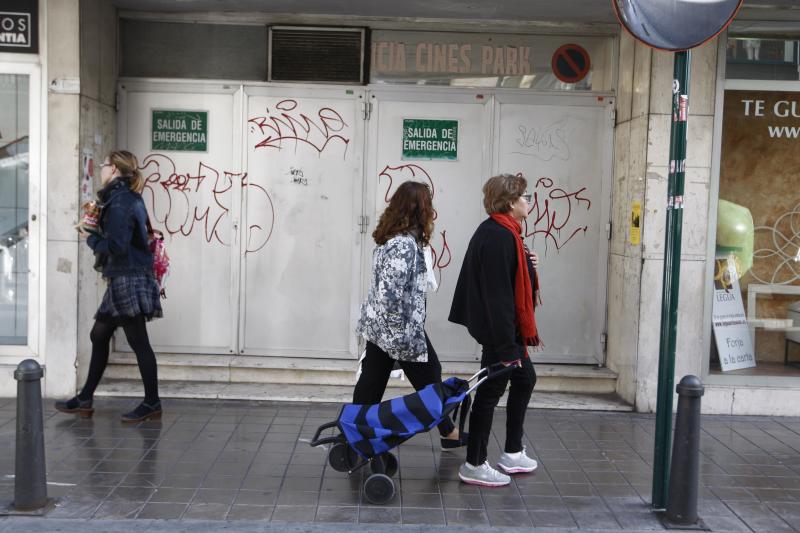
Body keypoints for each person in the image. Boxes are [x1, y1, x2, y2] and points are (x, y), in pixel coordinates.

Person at [354, 180, 466, 449]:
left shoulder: (398, 240)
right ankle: (447, 432)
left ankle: (354, 433)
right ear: (418, 209)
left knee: (372, 383)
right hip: (398, 331)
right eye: (428, 204)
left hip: (386, 330)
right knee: (429, 377)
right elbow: (390, 295)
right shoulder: (403, 245)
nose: (432, 211)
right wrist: (400, 341)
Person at [55, 150, 163, 423]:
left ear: (113, 169)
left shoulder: (119, 203)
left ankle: (152, 403)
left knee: (139, 342)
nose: (101, 169)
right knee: (99, 334)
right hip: (126, 276)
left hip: (128, 278)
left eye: (103, 165)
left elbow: (117, 245)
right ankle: (85, 398)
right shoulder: (125, 198)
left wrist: (89, 238)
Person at [449, 173, 541, 486]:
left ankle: (512, 452)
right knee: (489, 393)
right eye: (524, 197)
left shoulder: (507, 233)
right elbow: (497, 295)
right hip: (500, 332)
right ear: (511, 203)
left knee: (525, 378)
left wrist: (530, 264)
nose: (527, 202)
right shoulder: (498, 236)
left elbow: (511, 278)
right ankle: (474, 463)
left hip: (506, 330)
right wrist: (505, 345)